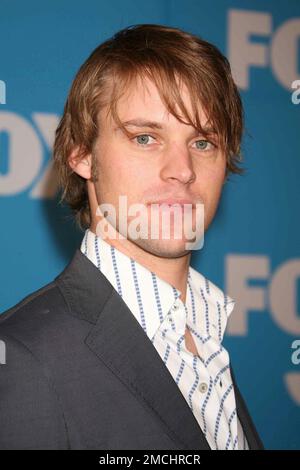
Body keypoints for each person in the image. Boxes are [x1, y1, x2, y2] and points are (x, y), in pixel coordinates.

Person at [0, 24, 264, 450]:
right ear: (82, 154)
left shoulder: (204, 333)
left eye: (202, 142)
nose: (182, 169)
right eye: (145, 138)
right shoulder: (21, 360)